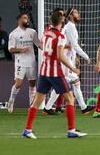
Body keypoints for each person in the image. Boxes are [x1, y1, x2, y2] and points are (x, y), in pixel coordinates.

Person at [21, 10, 87, 139]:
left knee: (37, 101)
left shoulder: (46, 33)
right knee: (70, 99)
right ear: (62, 22)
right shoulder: (60, 36)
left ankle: (27, 130)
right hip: (55, 72)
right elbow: (60, 56)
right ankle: (71, 131)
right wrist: (73, 68)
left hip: (44, 71)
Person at [43, 7, 94, 115]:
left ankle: (48, 108)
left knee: (71, 83)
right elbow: (74, 45)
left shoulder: (70, 27)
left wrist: (74, 58)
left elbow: (69, 45)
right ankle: (83, 108)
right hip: (65, 62)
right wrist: (86, 56)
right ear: (70, 15)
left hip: (68, 60)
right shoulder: (70, 27)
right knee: (66, 84)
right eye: (76, 12)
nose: (78, 14)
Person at [7, 13, 42, 113]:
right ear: (19, 20)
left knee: (32, 84)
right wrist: (20, 50)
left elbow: (38, 44)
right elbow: (10, 49)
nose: (27, 20)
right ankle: (11, 100)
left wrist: (48, 48)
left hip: (31, 62)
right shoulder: (14, 34)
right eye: (25, 18)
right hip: (20, 62)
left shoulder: (32, 32)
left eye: (28, 18)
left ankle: (31, 106)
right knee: (18, 84)